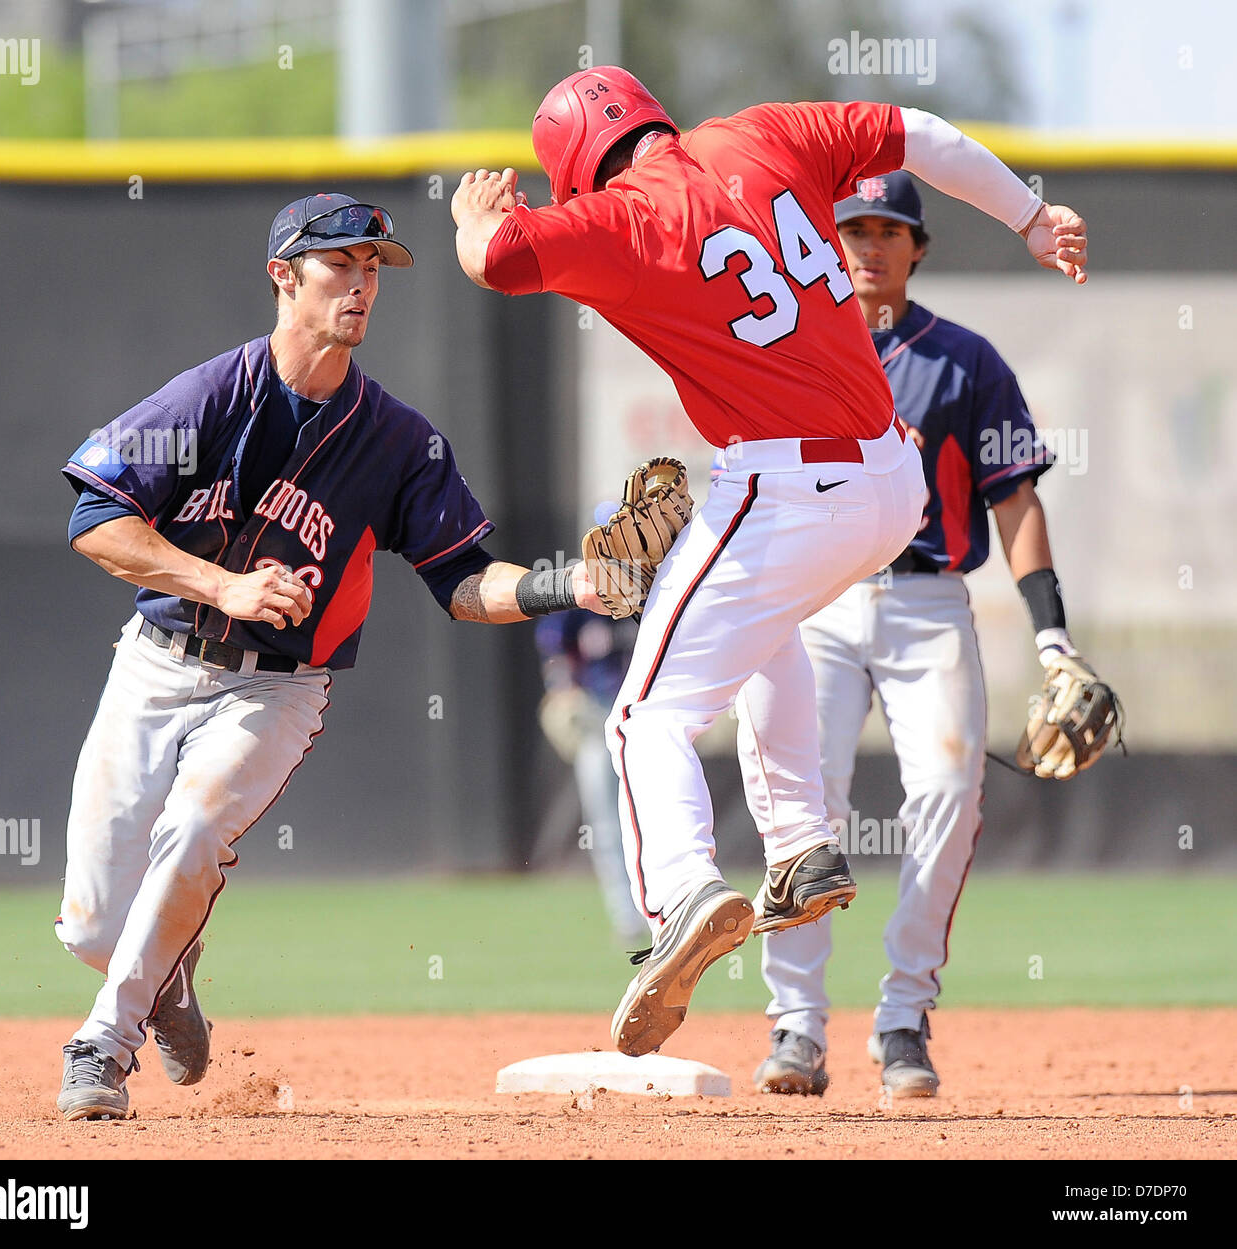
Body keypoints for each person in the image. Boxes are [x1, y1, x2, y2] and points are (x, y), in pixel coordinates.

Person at [451, 67, 1088, 1058]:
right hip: (888, 478)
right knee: (764, 634)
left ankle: (686, 896)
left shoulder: (617, 217)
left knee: (644, 717)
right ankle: (799, 848)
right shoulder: (764, 132)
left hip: (785, 483)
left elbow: (493, 258)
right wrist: (1031, 217)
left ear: (576, 163)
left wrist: (471, 217)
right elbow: (921, 129)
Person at [54, 193, 604, 1121]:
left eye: (373, 266)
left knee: (192, 834)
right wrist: (220, 584)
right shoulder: (210, 396)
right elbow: (95, 521)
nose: (361, 283)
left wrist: (566, 585)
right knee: (93, 926)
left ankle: (100, 1048)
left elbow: (462, 579)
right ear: (284, 276)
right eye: (340, 263)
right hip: (155, 661)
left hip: (278, 687)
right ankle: (165, 974)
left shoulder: (399, 440)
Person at [751, 171, 1103, 1099]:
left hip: (927, 599)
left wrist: (1054, 641)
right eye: (853, 227)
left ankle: (903, 1014)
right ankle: (796, 1021)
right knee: (803, 804)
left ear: (916, 247)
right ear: (827, 244)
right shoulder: (787, 347)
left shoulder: (965, 361)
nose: (868, 243)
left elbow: (1016, 497)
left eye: (887, 228)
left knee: (949, 789)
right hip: (815, 599)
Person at [534, 607, 649, 947]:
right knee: (605, 827)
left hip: (646, 721)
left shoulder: (655, 587)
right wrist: (561, 687)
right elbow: (553, 651)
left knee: (656, 819)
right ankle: (628, 920)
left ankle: (668, 909)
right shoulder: (579, 598)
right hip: (597, 721)